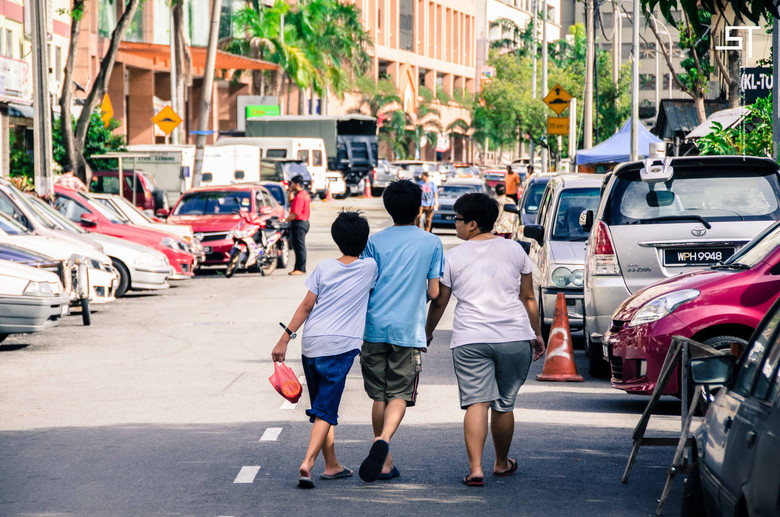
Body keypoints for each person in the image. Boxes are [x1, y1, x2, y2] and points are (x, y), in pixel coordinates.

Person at [425, 192, 545, 487]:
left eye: (457, 219)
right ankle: (502, 463)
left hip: (470, 339)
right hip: (514, 336)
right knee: (503, 405)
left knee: (476, 404)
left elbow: (439, 302)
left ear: (473, 224)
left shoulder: (452, 256)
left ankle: (476, 469)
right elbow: (529, 297)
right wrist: (537, 334)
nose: (454, 224)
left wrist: (426, 332)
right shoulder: (516, 250)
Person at [271, 211, 379, 489]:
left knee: (322, 408)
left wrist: (284, 339)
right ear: (364, 241)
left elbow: (306, 306)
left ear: (336, 240)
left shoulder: (324, 267)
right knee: (326, 409)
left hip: (312, 342)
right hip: (341, 346)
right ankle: (308, 463)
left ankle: (332, 465)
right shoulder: (370, 268)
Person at [358, 179, 444, 483]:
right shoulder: (432, 242)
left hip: (374, 327)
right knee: (400, 393)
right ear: (420, 208)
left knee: (379, 395)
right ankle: (383, 442)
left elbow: (364, 284)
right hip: (408, 331)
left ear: (388, 208)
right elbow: (434, 292)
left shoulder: (373, 242)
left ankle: (385, 462)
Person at [286, 175, 311, 275]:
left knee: (299, 246)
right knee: (297, 246)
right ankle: (297, 267)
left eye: (292, 183)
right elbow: (290, 201)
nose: (290, 185)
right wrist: (291, 191)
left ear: (297, 184)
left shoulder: (300, 197)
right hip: (302, 223)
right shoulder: (303, 194)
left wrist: (284, 220)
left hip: (299, 223)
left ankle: (301, 268)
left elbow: (294, 214)